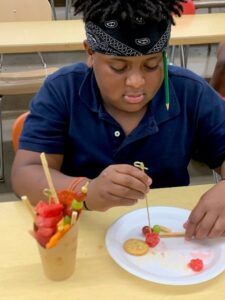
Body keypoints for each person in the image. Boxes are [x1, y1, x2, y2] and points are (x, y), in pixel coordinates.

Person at [11, 0, 225, 241]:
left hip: (170, 240)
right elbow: (25, 173)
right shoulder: (63, 91)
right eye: (118, 67)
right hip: (82, 233)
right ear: (90, 53)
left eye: (152, 65)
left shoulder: (189, 92)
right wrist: (87, 192)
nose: (136, 81)